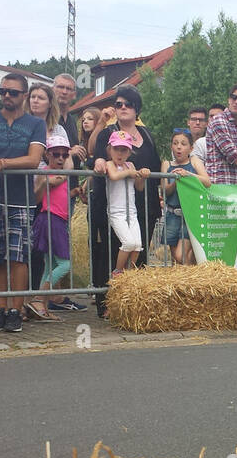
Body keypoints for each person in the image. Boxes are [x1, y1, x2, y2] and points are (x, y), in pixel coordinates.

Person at [0, 72, 46, 333]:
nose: (6, 97)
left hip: (20, 199)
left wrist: (1, 163)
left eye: (12, 92)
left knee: (18, 257)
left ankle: (16, 309)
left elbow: (34, 159)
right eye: (3, 92)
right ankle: (1, 309)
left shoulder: (35, 124)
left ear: (24, 95)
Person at [89, 86, 160, 317]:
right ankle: (107, 303)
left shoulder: (147, 135)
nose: (122, 108)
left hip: (142, 204)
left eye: (127, 104)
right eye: (118, 104)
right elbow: (98, 158)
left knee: (138, 251)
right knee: (109, 251)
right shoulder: (107, 133)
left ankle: (133, 303)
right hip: (113, 204)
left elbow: (157, 167)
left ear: (136, 108)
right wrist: (100, 161)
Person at [26, 134, 79, 320]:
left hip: (57, 219)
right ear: (47, 155)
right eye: (56, 154)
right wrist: (46, 183)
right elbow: (38, 197)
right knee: (64, 265)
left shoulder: (62, 173)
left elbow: (62, 189)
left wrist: (74, 192)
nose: (60, 159)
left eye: (64, 155)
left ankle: (42, 309)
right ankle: (39, 298)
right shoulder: (47, 173)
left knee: (50, 265)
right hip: (51, 220)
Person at [158, 129, 210, 265]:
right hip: (172, 214)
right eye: (175, 143)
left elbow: (207, 182)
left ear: (191, 148)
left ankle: (196, 270)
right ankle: (192, 277)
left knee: (182, 255)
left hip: (190, 215)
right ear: (171, 146)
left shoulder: (194, 161)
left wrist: (188, 175)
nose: (179, 147)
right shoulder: (166, 164)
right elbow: (164, 190)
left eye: (183, 144)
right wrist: (176, 181)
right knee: (176, 257)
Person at [105, 130, 149, 277]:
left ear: (129, 152)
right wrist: (129, 173)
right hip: (116, 212)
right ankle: (117, 271)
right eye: (116, 149)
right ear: (110, 150)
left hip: (131, 211)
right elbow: (114, 176)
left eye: (123, 150)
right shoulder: (110, 164)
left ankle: (128, 274)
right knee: (128, 243)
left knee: (137, 245)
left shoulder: (130, 165)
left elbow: (139, 187)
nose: (119, 153)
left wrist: (141, 175)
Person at [204, 85, 237, 185]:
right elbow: (234, 156)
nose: (236, 101)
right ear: (229, 99)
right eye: (234, 97)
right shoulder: (218, 121)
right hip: (216, 185)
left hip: (232, 186)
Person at [190, 105, 223, 169]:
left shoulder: (231, 141)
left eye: (201, 120)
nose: (197, 123)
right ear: (188, 122)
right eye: (194, 119)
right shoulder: (179, 144)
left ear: (206, 123)